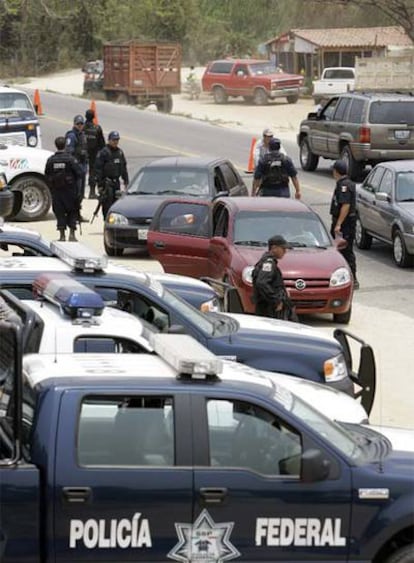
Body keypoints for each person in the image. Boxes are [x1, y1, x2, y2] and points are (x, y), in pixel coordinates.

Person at [44, 136, 83, 242]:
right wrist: (79, 192)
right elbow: (80, 174)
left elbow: (46, 175)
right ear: (65, 145)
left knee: (59, 212)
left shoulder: (51, 160)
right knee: (73, 211)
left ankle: (62, 235)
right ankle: (72, 234)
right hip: (70, 191)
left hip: (57, 191)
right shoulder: (70, 159)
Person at [252, 235, 298, 321]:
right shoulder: (268, 263)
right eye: (283, 248)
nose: (285, 251)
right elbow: (262, 283)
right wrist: (276, 300)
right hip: (269, 308)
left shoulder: (269, 262)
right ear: (274, 248)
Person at [330, 159, 359, 289]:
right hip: (344, 223)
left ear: (336, 171)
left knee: (345, 251)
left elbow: (346, 205)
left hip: (345, 224)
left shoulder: (344, 186)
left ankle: (352, 279)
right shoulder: (344, 183)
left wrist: (338, 224)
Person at [95, 130, 129, 219]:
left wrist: (126, 181)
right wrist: (100, 185)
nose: (115, 142)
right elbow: (98, 169)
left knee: (116, 205)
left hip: (116, 183)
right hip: (107, 183)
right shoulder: (104, 153)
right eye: (113, 140)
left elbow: (123, 167)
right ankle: (106, 223)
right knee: (107, 205)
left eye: (117, 140)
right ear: (109, 140)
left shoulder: (120, 152)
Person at [65, 114, 88, 220]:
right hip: (75, 169)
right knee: (75, 193)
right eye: (78, 124)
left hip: (82, 168)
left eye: (81, 124)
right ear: (74, 124)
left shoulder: (82, 135)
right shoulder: (72, 136)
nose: (80, 126)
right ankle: (72, 215)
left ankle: (77, 214)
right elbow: (69, 153)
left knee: (81, 194)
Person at [83, 108, 105, 199]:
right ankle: (92, 192)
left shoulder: (81, 127)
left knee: (81, 172)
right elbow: (102, 144)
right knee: (93, 173)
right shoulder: (97, 128)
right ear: (94, 117)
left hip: (83, 153)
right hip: (94, 154)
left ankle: (81, 193)